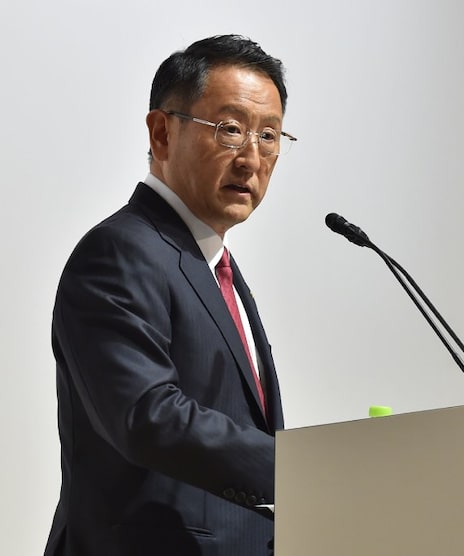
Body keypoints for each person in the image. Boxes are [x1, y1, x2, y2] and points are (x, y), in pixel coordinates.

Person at [45, 35, 297, 555]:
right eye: (231, 130)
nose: (252, 157)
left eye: (269, 135)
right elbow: (149, 416)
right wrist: (305, 469)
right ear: (162, 133)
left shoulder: (213, 265)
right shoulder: (119, 252)